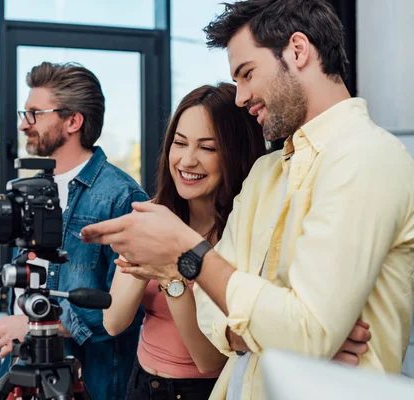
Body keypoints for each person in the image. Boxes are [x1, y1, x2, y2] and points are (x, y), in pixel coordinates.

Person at [80, 1, 413, 399]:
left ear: (298, 50)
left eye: (247, 73)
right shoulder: (266, 174)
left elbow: (304, 334)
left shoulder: (365, 157)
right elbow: (214, 323)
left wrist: (189, 254)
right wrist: (281, 337)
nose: (240, 97)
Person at [104, 83, 372, 400]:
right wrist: (146, 245)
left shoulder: (247, 233)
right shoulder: (153, 215)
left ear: (235, 153)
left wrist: (172, 278)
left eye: (207, 148)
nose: (187, 160)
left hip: (208, 390)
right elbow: (113, 322)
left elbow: (208, 361)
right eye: (180, 143)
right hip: (143, 385)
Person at [0, 61, 149, 400]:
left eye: (35, 114)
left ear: (73, 121)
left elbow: (128, 309)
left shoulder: (122, 196)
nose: (23, 124)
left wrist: (40, 325)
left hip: (90, 381)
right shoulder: (28, 188)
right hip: (25, 366)